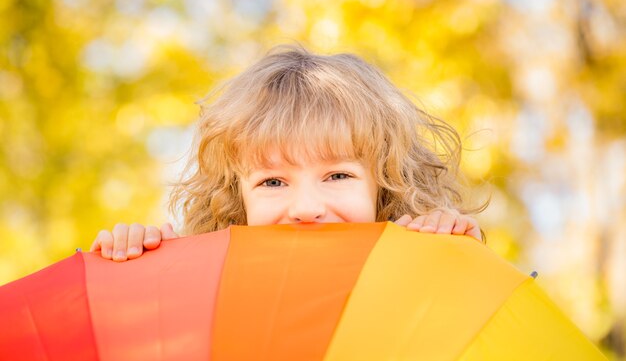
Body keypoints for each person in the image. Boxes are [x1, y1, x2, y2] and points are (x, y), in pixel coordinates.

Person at [91, 44, 485, 262]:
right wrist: (133, 270)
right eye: (273, 181)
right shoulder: (205, 297)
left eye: (337, 175)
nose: (306, 208)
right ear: (236, 203)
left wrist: (458, 263)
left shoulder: (416, 275)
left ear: (384, 186)